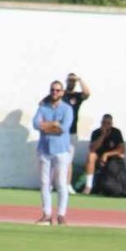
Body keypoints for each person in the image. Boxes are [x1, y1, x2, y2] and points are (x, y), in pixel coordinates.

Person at [32, 80, 74, 226]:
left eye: (57, 90)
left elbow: (63, 128)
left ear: (62, 92)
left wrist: (47, 125)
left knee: (61, 183)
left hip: (61, 150)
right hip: (44, 149)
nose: (54, 92)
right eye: (52, 90)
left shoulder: (67, 109)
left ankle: (61, 215)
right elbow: (36, 124)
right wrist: (53, 124)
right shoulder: (43, 108)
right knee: (45, 183)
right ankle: (47, 214)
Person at [61, 71, 90, 194]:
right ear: (66, 81)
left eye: (73, 81)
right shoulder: (60, 94)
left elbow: (87, 93)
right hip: (58, 132)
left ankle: (67, 185)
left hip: (72, 132)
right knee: (55, 159)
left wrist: (79, 79)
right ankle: (53, 184)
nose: (71, 83)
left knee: (68, 160)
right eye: (70, 80)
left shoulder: (77, 96)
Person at [83, 114, 125, 194]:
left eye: (108, 123)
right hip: (98, 158)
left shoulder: (116, 132)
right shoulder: (96, 132)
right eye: (103, 123)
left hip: (112, 159)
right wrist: (102, 135)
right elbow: (92, 148)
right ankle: (88, 186)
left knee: (120, 156)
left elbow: (122, 149)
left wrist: (106, 154)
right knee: (91, 156)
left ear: (111, 124)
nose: (106, 125)